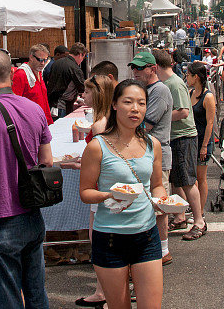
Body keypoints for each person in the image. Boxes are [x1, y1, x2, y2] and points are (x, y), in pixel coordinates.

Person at [0, 50, 53, 309]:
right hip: (32, 212)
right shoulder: (34, 109)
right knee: (36, 291)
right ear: (11, 73)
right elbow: (47, 161)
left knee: (5, 296)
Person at [79, 79, 166, 309]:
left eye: (141, 103)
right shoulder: (97, 146)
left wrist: (162, 201)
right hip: (109, 238)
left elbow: (157, 185)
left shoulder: (153, 144)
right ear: (115, 104)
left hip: (147, 236)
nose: (135, 109)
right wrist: (108, 196)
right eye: (128, 102)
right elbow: (85, 192)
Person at [152, 50, 206, 241]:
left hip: (184, 136)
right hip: (173, 137)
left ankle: (199, 221)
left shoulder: (174, 84)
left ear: (155, 66)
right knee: (176, 180)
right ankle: (180, 217)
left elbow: (183, 111)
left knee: (187, 180)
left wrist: (161, 117)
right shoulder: (166, 83)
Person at [129, 51, 173, 265]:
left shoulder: (160, 91)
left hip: (158, 153)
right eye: (133, 67)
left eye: (140, 68)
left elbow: (146, 125)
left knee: (159, 205)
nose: (135, 72)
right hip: (145, 153)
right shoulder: (146, 90)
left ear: (153, 68)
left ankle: (163, 250)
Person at [74, 74, 115, 308]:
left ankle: (104, 292)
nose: (84, 95)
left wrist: (80, 164)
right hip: (103, 186)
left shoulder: (100, 123)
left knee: (98, 238)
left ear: (97, 94)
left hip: (100, 187)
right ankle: (103, 290)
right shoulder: (105, 120)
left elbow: (102, 160)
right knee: (99, 238)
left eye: (88, 91)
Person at [185, 62, 216, 217]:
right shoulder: (190, 93)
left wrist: (204, 145)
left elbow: (210, 123)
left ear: (195, 76)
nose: (186, 78)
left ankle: (201, 211)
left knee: (201, 177)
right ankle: (195, 207)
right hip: (191, 140)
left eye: (188, 75)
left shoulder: (208, 96)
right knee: (192, 177)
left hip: (203, 140)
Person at [13, 44, 53, 125]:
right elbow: (14, 103)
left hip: (42, 122)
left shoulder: (39, 73)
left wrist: (49, 122)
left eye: (45, 60)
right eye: (40, 60)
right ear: (31, 57)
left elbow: (45, 102)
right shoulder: (21, 74)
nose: (43, 63)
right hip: (29, 123)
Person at [46, 42, 87, 119]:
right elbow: (82, 88)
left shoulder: (56, 63)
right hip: (63, 106)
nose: (82, 60)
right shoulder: (75, 68)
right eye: (83, 57)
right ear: (80, 54)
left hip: (51, 104)